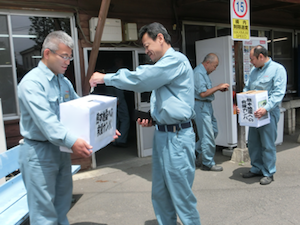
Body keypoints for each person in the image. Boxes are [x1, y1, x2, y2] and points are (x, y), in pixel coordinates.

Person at [89, 22, 201, 225]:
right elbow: (168, 100)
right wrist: (154, 118)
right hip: (163, 133)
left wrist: (106, 77)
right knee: (160, 191)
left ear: (160, 38)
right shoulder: (164, 66)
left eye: (147, 45)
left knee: (181, 195)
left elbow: (143, 79)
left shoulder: (175, 60)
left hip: (177, 137)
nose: (146, 50)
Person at [18, 31, 119, 224]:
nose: (68, 62)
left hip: (60, 150)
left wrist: (104, 129)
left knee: (62, 205)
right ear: (47, 53)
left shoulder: (62, 81)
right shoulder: (31, 84)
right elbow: (47, 122)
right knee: (44, 212)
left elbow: (80, 108)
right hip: (38, 153)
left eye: (70, 57)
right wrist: (73, 141)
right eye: (64, 56)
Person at [237, 45, 287, 185]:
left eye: (252, 59)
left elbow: (278, 93)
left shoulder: (278, 69)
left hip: (269, 113)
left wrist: (266, 108)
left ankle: (268, 172)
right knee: (253, 142)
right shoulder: (254, 71)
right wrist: (241, 106)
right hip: (254, 113)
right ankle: (256, 168)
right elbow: (247, 88)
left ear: (261, 56)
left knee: (267, 143)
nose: (251, 62)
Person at [194, 53, 229, 171]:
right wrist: (218, 87)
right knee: (207, 135)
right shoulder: (198, 73)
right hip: (200, 105)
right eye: (215, 66)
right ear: (207, 63)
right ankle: (207, 163)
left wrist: (218, 89)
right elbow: (203, 94)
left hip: (206, 105)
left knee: (214, 131)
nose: (215, 69)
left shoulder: (204, 73)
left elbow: (206, 92)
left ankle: (195, 150)